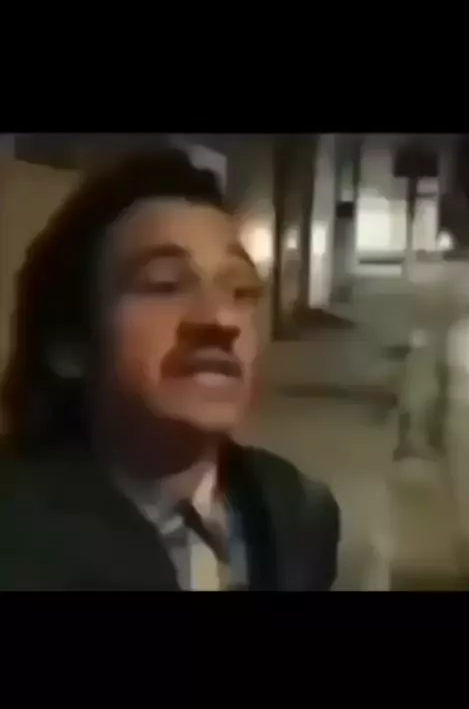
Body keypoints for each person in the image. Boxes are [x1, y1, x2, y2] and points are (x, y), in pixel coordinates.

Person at [0, 148, 340, 590]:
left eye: (241, 290)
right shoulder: (19, 543)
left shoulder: (295, 512)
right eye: (165, 285)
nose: (220, 320)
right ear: (70, 346)